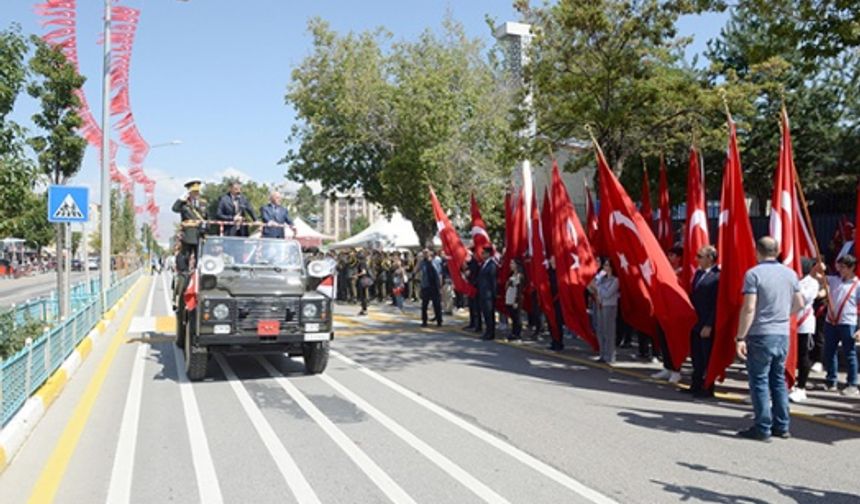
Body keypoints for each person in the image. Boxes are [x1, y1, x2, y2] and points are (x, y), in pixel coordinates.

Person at [735, 236, 803, 441]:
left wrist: (740, 337)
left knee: (759, 381)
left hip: (760, 333)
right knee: (778, 381)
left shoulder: (754, 274)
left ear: (757, 251)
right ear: (778, 250)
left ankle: (762, 426)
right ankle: (782, 425)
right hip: (782, 333)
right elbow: (800, 303)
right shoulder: (790, 274)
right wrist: (783, 316)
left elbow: (749, 308)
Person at [816, 254, 860, 395]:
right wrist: (818, 267)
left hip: (848, 323)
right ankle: (831, 380)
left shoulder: (857, 285)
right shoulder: (834, 280)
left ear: (852, 267)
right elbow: (819, 277)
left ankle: (852, 383)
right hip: (831, 322)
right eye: (838, 266)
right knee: (829, 352)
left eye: (843, 267)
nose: (839, 269)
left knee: (850, 354)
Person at [686, 245, 720, 398]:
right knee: (696, 355)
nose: (696, 259)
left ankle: (708, 387)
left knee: (707, 356)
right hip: (695, 320)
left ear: (710, 258)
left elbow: (716, 304)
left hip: (706, 322)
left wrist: (709, 324)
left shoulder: (717, 276)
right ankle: (696, 384)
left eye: (700, 256)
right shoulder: (698, 273)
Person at [791, 257, 825, 402]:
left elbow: (803, 299)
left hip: (804, 323)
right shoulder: (793, 279)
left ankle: (801, 387)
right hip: (790, 322)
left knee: (803, 355)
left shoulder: (812, 283)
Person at [171, 179, 207, 273]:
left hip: (199, 233)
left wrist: (205, 230)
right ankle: (185, 275)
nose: (196, 194)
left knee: (199, 256)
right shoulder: (184, 204)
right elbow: (174, 209)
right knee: (186, 256)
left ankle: (197, 274)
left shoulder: (203, 203)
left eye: (197, 192)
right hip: (188, 234)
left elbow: (207, 218)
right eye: (194, 192)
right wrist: (180, 199)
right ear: (189, 192)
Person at [590, 259, 620, 364]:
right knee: (600, 330)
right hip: (600, 305)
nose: (605, 267)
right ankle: (602, 354)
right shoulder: (601, 278)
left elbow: (608, 294)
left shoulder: (615, 280)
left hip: (609, 306)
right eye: (604, 265)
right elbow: (592, 288)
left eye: (607, 265)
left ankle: (610, 355)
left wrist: (597, 288)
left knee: (609, 331)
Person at [477, 246, 498, 340]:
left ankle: (491, 333)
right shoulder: (484, 264)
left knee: (489, 314)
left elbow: (493, 280)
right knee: (485, 314)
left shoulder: (492, 265)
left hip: (488, 294)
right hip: (483, 292)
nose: (482, 255)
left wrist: (494, 293)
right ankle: (487, 332)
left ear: (488, 254)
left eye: (484, 253)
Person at [419, 249, 442, 326]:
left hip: (434, 286)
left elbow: (439, 274)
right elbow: (417, 269)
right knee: (424, 305)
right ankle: (424, 321)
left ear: (430, 253)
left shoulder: (435, 261)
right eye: (424, 253)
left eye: (426, 253)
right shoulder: (422, 262)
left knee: (437, 304)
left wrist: (440, 286)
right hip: (425, 286)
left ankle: (439, 320)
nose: (425, 254)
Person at [505, 261, 525, 341]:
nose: (511, 265)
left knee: (517, 316)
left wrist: (516, 301)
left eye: (512, 263)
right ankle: (513, 332)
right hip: (509, 297)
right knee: (513, 317)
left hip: (515, 298)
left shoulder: (519, 276)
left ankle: (517, 333)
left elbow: (519, 290)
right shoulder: (511, 274)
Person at [464, 250, 482, 333]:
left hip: (475, 287)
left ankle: (477, 325)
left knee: (476, 308)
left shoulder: (477, 263)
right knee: (471, 306)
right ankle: (472, 323)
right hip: (470, 286)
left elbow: (477, 275)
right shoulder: (470, 263)